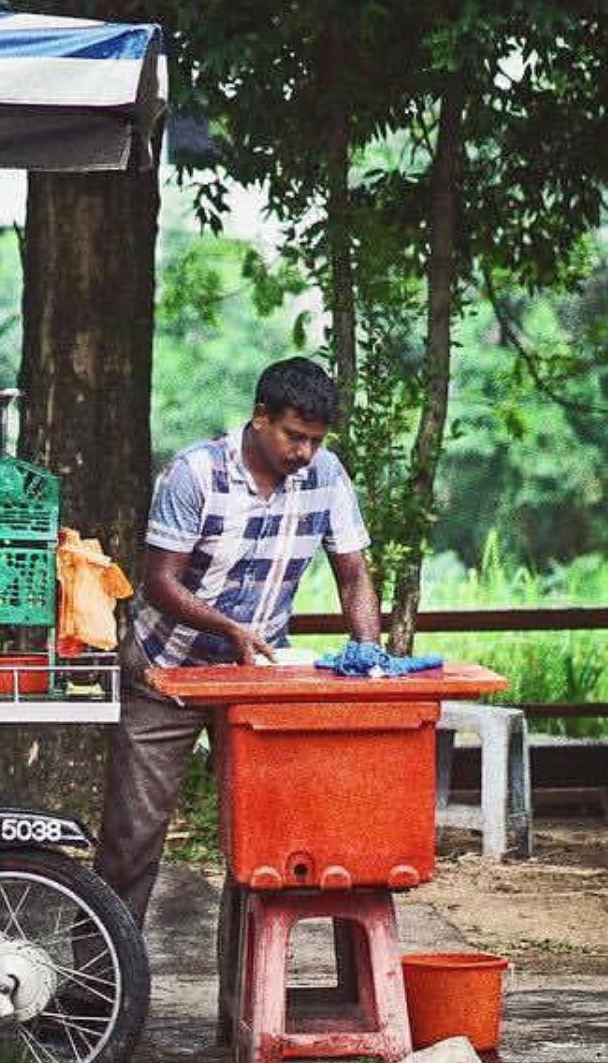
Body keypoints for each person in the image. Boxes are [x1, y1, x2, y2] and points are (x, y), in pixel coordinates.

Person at [93, 357, 382, 1007]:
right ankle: (95, 1004)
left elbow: (354, 574)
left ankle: (244, 1011)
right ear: (260, 417)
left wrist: (368, 652)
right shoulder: (195, 473)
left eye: (315, 440)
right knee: (132, 837)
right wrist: (230, 629)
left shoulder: (327, 476)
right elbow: (159, 581)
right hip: (164, 671)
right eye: (293, 437)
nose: (304, 453)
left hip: (256, 679)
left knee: (258, 847)